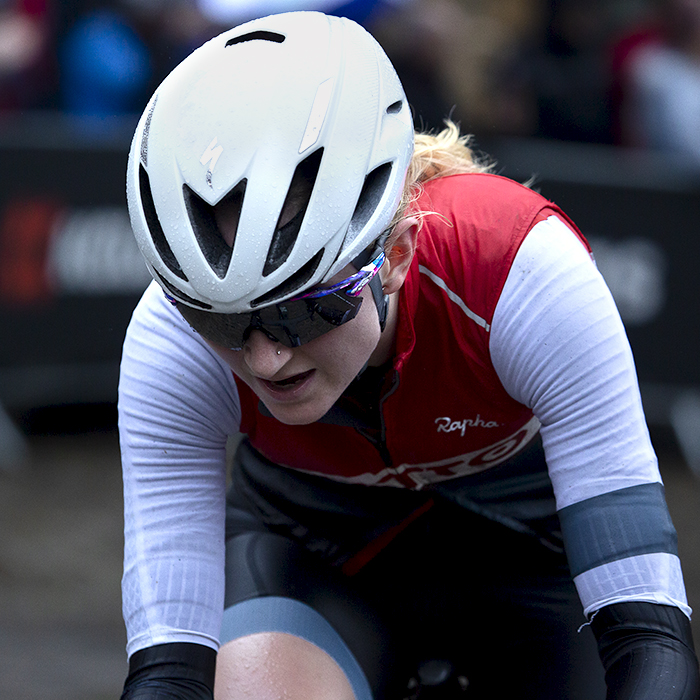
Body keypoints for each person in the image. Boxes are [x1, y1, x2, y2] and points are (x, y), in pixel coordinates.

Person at [117, 11, 699, 700]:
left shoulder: (518, 270)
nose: (267, 359)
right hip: (311, 558)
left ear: (393, 256)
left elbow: (651, 637)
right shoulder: (170, 336)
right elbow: (167, 674)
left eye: (305, 310)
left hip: (536, 559)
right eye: (224, 321)